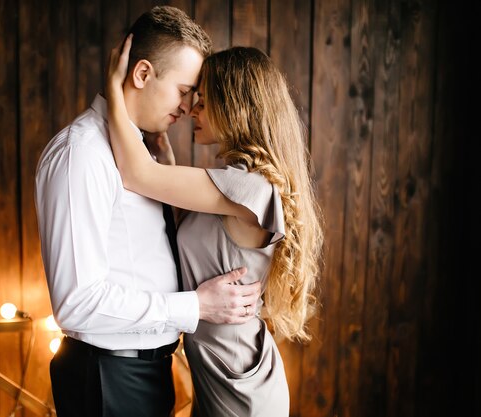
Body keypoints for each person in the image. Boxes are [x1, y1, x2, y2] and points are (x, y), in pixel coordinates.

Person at [34, 6, 263, 417]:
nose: (187, 107)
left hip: (147, 371)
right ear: (142, 74)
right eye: (182, 90)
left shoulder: (143, 156)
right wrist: (195, 306)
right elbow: (76, 302)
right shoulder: (82, 154)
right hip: (108, 377)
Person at [106, 36, 324, 416]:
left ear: (235, 107)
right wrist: (167, 160)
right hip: (223, 370)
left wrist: (112, 87)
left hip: (239, 384)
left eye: (203, 101)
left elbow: (136, 174)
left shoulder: (248, 187)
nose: (191, 110)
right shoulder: (235, 184)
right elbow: (194, 235)